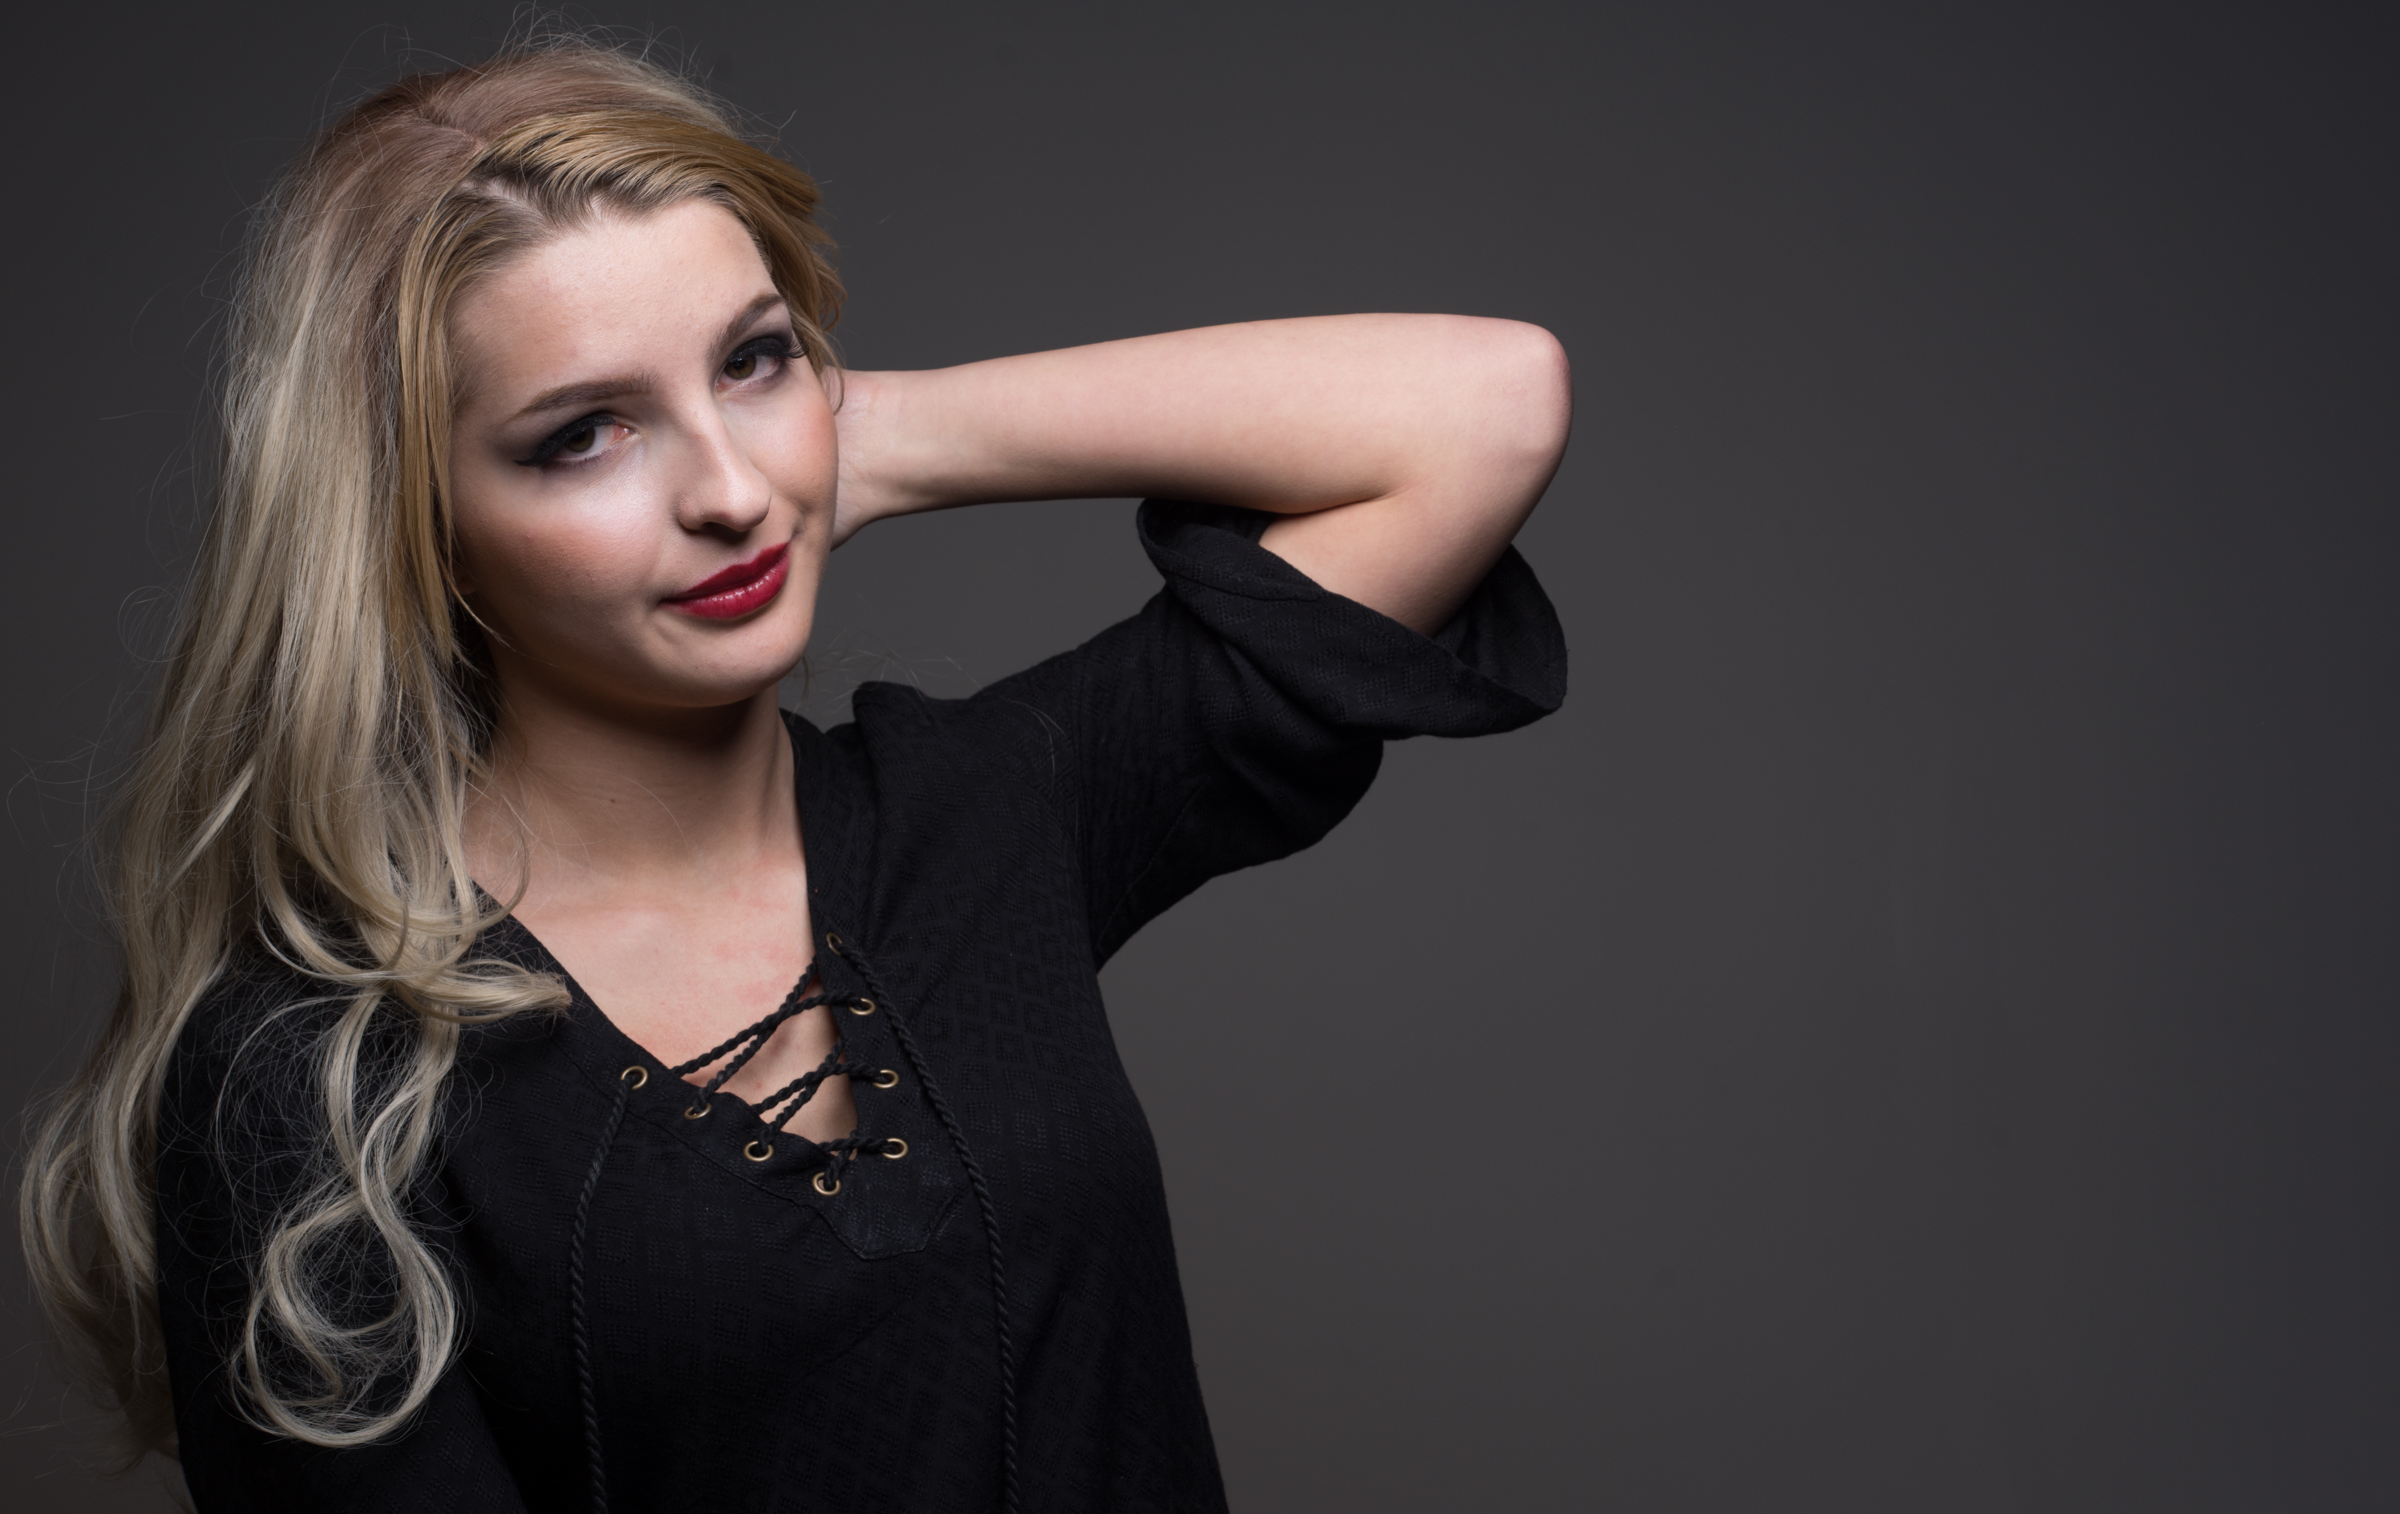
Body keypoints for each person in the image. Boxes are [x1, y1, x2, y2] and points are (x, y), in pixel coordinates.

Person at [19, 39, 1568, 1514]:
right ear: (408, 520)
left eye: (755, 360)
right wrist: (763, 409)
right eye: (582, 436)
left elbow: (1478, 408)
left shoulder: (997, 805)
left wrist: (873, 435)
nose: (730, 492)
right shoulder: (315, 1065)